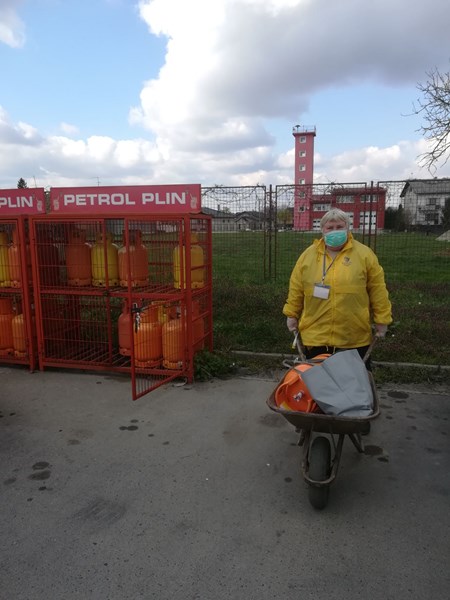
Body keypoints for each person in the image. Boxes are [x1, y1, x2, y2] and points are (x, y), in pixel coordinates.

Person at [283, 208, 392, 369]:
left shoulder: (364, 255)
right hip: (316, 336)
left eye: (340, 227)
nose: (335, 231)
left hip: (354, 336)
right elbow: (296, 288)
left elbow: (378, 290)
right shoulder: (308, 256)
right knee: (319, 382)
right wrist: (291, 314)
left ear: (348, 228)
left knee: (354, 382)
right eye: (330, 227)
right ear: (322, 230)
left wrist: (382, 319)